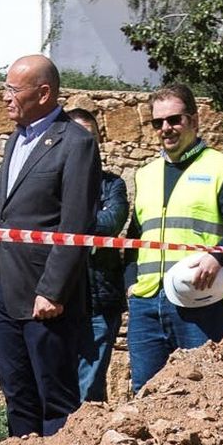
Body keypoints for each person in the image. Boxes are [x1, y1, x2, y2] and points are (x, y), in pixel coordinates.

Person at [0, 54, 97, 438]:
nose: (5, 97)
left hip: (44, 296)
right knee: (17, 394)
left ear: (44, 93)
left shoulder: (75, 143)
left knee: (54, 397)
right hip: (3, 289)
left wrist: (52, 289)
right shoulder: (15, 140)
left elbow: (76, 223)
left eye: (14, 89)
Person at [128, 84, 223, 391]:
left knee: (202, 393)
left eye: (174, 120)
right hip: (146, 303)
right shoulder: (146, 173)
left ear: (195, 121)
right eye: (157, 123)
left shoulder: (222, 168)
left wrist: (217, 256)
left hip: (200, 299)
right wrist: (129, 284)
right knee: (145, 394)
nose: (165, 129)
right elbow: (135, 235)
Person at [66, 106, 133, 404]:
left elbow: (111, 222)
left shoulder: (112, 184)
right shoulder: (49, 182)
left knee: (88, 391)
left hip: (99, 300)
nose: (84, 144)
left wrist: (69, 221)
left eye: (90, 138)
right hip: (58, 300)